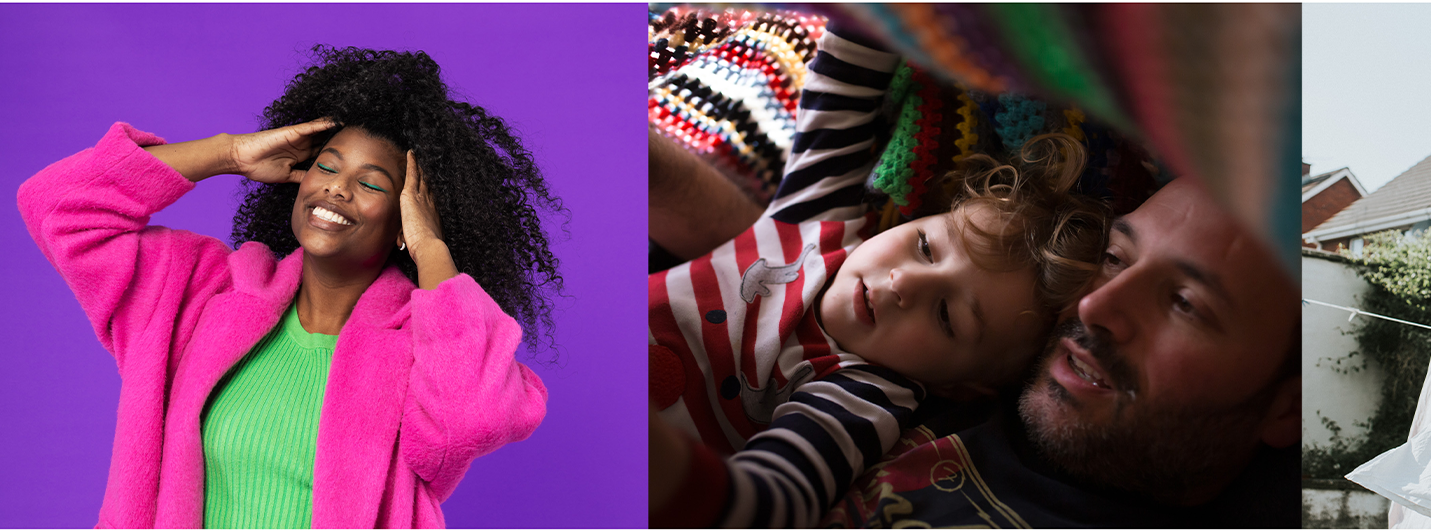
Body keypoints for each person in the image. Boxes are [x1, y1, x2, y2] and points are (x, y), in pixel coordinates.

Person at [18, 46, 561, 528]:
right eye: (327, 167)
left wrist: (433, 253)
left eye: (371, 183)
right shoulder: (201, 294)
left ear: (405, 219)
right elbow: (59, 207)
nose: (337, 188)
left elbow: (471, 419)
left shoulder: (428, 345)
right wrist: (227, 154)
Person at [647, 28, 1110, 527]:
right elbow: (848, 64)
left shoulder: (863, 396)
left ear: (962, 387)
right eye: (925, 246)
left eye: (946, 315)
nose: (904, 283)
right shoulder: (820, 220)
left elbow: (771, 503)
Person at [821, 176, 1302, 527]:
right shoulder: (941, 365)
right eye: (1114, 258)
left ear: (1291, 408)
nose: (1095, 305)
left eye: (1185, 304)